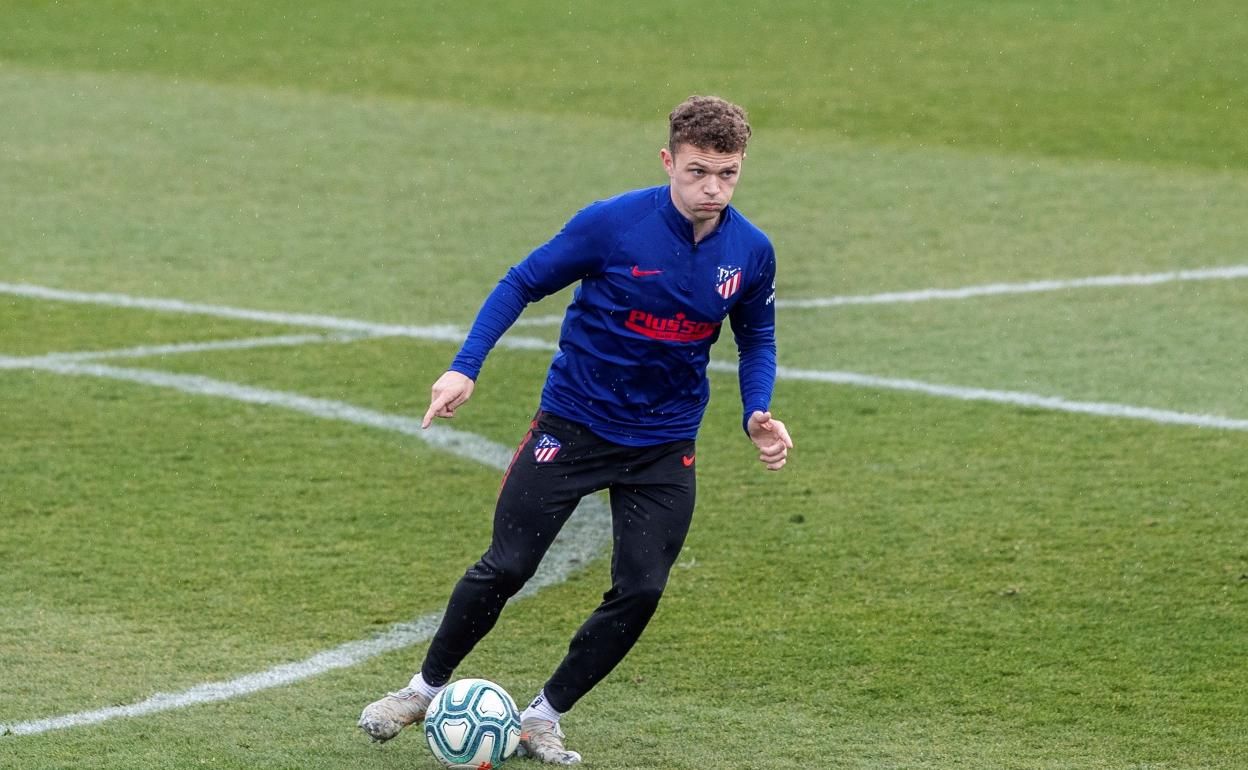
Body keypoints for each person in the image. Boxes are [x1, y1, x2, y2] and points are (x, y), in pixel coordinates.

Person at [358, 95, 793, 764]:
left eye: (728, 174)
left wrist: (755, 410)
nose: (713, 188)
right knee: (507, 565)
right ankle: (422, 689)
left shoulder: (750, 252)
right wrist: (464, 367)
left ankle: (542, 717)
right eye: (698, 171)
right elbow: (522, 282)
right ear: (668, 161)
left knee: (643, 588)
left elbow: (757, 335)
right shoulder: (613, 225)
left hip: (663, 445)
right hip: (574, 426)